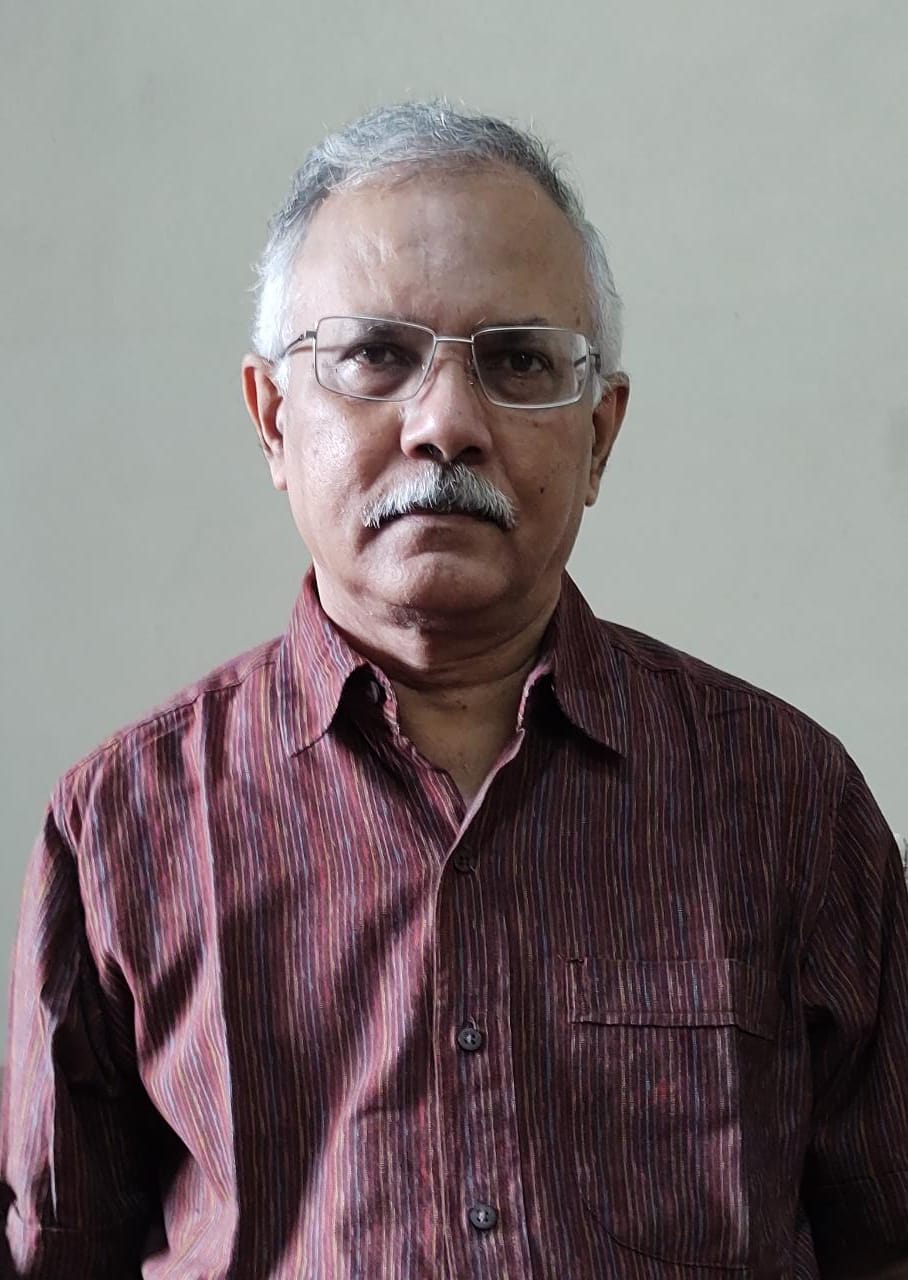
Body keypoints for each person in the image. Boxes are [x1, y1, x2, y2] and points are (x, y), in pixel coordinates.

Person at [2, 100, 907, 1280]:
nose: (444, 424)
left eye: (518, 361)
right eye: (376, 356)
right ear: (272, 419)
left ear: (598, 435)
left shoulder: (785, 799)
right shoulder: (123, 826)